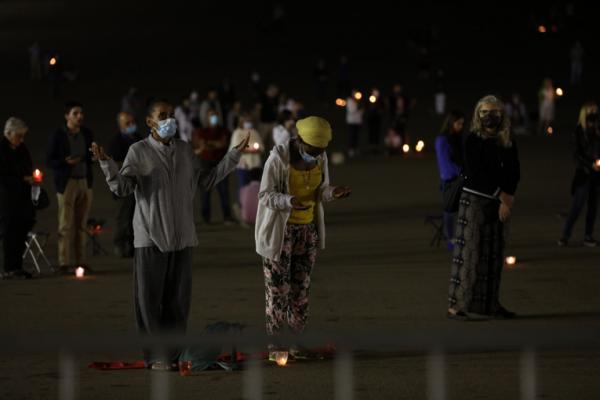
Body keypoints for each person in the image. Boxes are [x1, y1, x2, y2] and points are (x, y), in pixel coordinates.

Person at [92, 100, 249, 370]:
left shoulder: (185, 150)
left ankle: (174, 354)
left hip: (183, 237)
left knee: (178, 302)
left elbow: (208, 180)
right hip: (150, 238)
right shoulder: (138, 151)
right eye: (163, 116)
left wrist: (232, 156)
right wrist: (107, 164)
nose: (169, 120)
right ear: (150, 122)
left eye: (172, 115)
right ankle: (155, 356)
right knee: (149, 302)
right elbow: (122, 188)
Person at [255, 116, 351, 359]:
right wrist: (289, 201)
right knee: (278, 292)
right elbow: (265, 195)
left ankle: (297, 344)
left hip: (307, 232)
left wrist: (333, 192)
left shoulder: (320, 157)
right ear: (300, 140)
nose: (316, 155)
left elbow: (321, 190)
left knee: (301, 291)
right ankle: (276, 347)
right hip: (280, 233)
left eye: (320, 151)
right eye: (313, 150)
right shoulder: (278, 159)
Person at [447, 95, 520, 320]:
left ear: (502, 114)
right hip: (475, 202)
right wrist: (501, 196)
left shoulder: (507, 140)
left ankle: (490, 305)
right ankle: (456, 306)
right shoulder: (473, 140)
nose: (490, 117)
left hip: (500, 203)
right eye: (485, 112)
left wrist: (508, 198)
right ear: (478, 115)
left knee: (494, 256)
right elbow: (476, 173)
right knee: (469, 255)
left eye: (494, 112)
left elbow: (514, 171)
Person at [46, 101, 94, 273]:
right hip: (67, 183)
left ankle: (81, 260)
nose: (79, 116)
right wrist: (65, 162)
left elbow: (91, 155)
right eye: (75, 113)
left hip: (84, 181)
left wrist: (91, 157)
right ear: (67, 116)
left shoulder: (86, 133)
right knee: (65, 225)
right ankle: (63, 262)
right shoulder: (58, 135)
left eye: (81, 113)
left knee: (82, 225)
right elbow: (49, 160)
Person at [0, 118, 39, 279]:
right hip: (7, 199)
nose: (21, 140)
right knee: (10, 234)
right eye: (19, 136)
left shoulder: (22, 149)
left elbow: (27, 166)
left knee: (22, 232)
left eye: (23, 136)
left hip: (23, 198)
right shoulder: (2, 150)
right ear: (8, 133)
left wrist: (31, 178)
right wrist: (22, 179)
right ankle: (9, 268)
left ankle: (17, 266)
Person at [558, 102, 600, 247]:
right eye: (590, 112)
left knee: (593, 207)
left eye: (595, 111)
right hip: (584, 174)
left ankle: (588, 236)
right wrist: (590, 164)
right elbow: (577, 154)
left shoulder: (597, 131)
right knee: (577, 206)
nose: (593, 114)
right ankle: (565, 235)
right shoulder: (579, 132)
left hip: (596, 175)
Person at [108, 112, 143, 257]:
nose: (131, 125)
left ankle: (133, 245)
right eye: (127, 123)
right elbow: (114, 164)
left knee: (136, 217)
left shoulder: (138, 138)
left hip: (138, 184)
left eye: (132, 122)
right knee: (123, 216)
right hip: (124, 185)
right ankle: (120, 244)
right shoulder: (116, 142)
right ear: (120, 125)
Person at [192, 109, 234, 224]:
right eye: (211, 115)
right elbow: (202, 145)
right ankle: (206, 217)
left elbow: (223, 144)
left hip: (220, 163)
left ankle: (227, 216)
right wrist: (215, 144)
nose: (213, 117)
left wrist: (209, 143)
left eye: (215, 115)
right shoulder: (202, 131)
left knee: (224, 191)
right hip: (206, 163)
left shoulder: (224, 131)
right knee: (205, 191)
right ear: (206, 118)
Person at [434, 110, 465, 250]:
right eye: (458, 123)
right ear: (451, 123)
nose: (461, 126)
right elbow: (445, 163)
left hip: (462, 177)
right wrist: (461, 172)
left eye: (462, 124)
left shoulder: (459, 138)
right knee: (450, 210)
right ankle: (451, 239)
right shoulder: (442, 140)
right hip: (450, 179)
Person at [229, 114, 264, 202]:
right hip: (243, 166)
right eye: (246, 121)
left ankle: (254, 206)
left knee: (256, 189)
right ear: (241, 122)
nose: (248, 123)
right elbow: (236, 149)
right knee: (243, 188)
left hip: (255, 166)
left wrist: (256, 149)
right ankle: (243, 206)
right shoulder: (237, 133)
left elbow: (261, 148)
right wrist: (250, 150)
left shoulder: (254, 132)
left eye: (249, 121)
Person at [346, 89, 364, 158]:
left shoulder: (358, 101)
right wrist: (358, 107)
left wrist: (360, 108)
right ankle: (351, 150)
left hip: (358, 121)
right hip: (351, 122)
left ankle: (356, 149)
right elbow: (351, 110)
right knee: (351, 136)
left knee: (356, 136)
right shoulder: (350, 101)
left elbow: (361, 111)